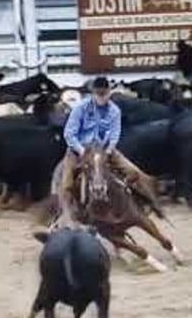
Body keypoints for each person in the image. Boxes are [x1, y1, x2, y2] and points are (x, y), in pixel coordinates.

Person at [57, 76, 163, 225]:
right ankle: (66, 215)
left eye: (104, 94)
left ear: (108, 93)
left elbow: (114, 134)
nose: (101, 97)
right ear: (93, 94)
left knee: (135, 173)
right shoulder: (80, 109)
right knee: (66, 183)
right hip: (78, 151)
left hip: (105, 149)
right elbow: (69, 133)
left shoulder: (114, 111)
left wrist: (108, 151)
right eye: (98, 94)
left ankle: (153, 203)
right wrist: (81, 151)